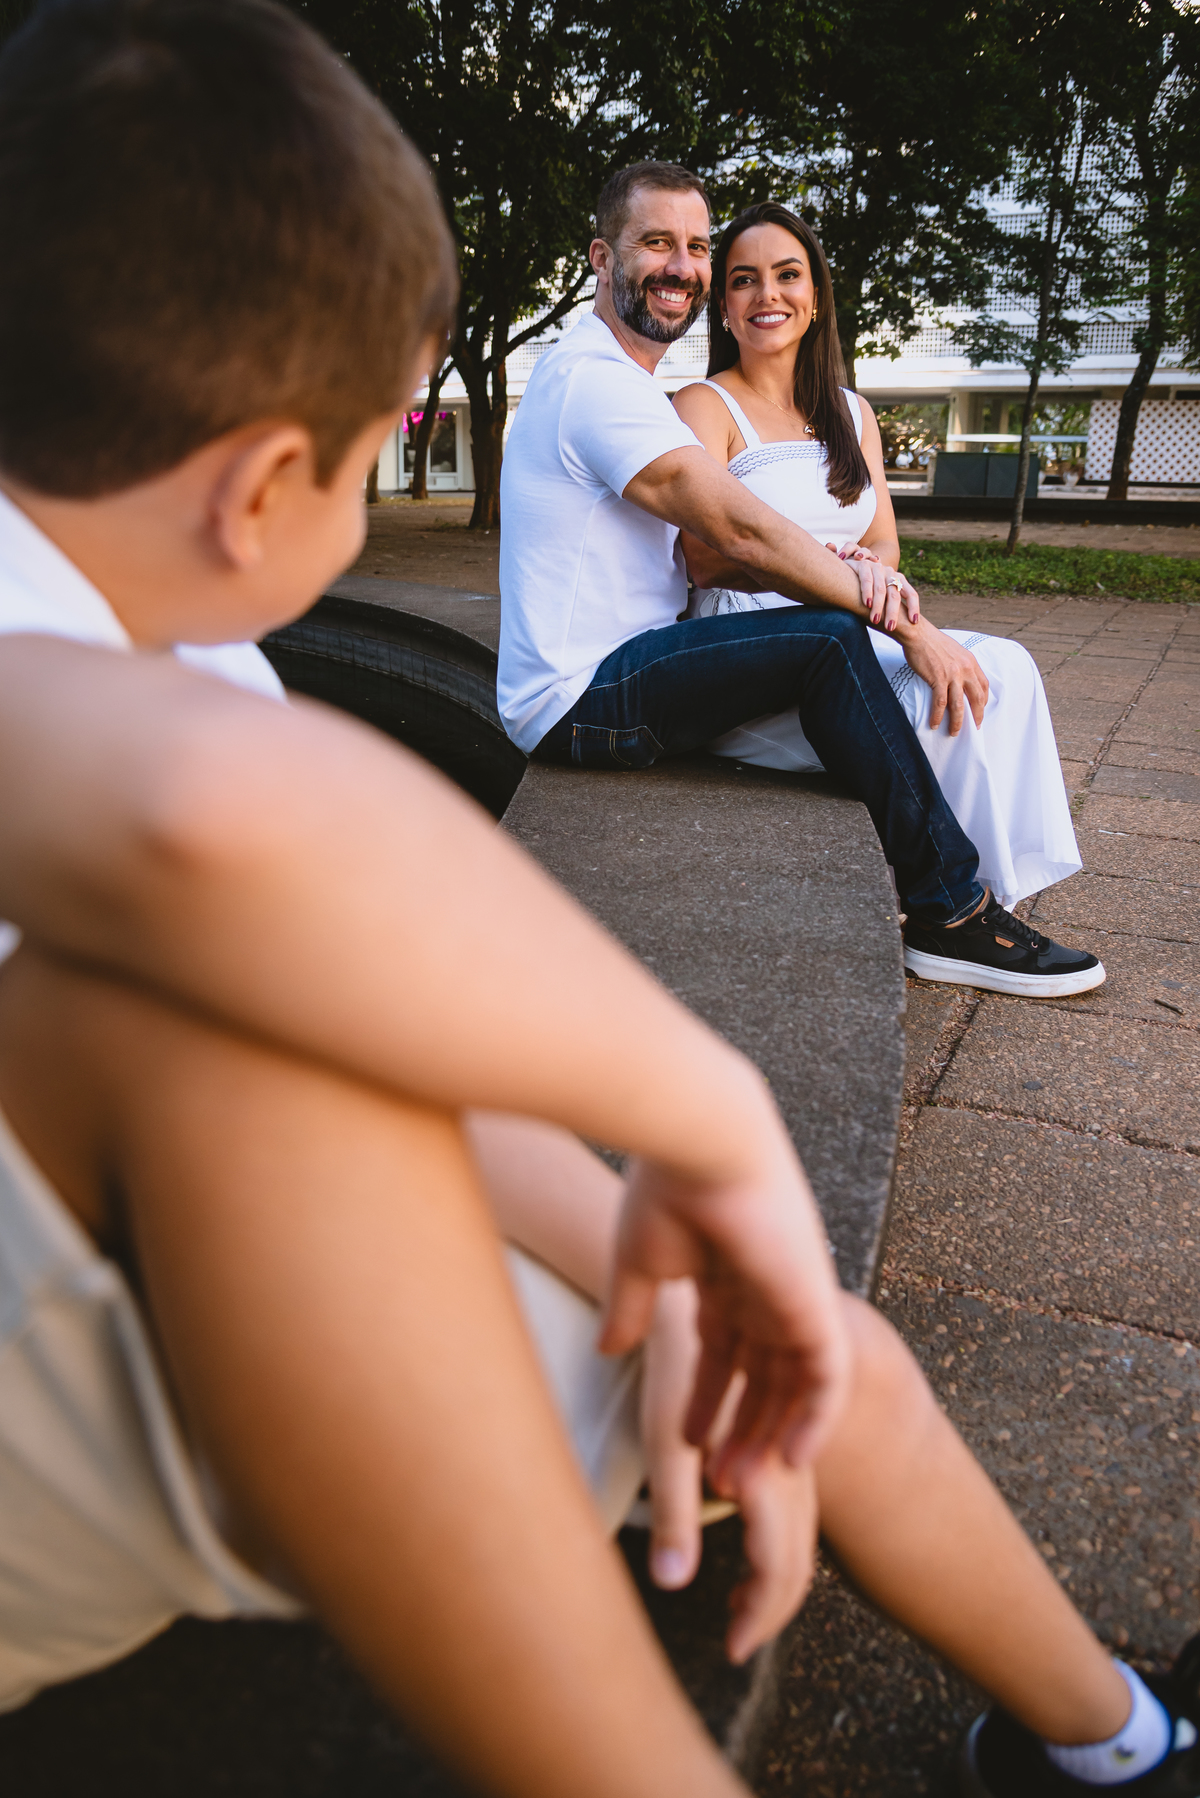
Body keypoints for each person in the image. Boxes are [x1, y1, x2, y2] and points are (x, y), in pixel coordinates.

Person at [0, 8, 1194, 1797]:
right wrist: (704, 1108)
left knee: (794, 1345)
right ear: (263, 486)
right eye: (384, 433)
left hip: (158, 1204)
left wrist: (656, 1200)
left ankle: (1122, 1739)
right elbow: (207, 833)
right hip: (128, 1289)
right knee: (213, 1054)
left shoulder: (159, 621)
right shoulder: (150, 660)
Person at [497, 161, 1104, 1001]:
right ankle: (950, 915)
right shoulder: (593, 382)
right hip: (578, 697)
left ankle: (959, 903)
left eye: (694, 246)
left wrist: (875, 587)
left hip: (633, 664)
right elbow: (734, 529)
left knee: (854, 646)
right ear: (602, 259)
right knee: (828, 639)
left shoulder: (618, 379)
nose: (680, 265)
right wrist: (909, 627)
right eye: (655, 244)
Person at [674, 200, 1082, 917]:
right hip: (757, 647)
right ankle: (951, 910)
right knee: (931, 699)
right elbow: (705, 561)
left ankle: (996, 895)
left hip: (858, 616)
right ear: (724, 307)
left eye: (787, 274)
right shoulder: (702, 407)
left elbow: (886, 539)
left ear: (816, 296)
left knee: (1005, 668)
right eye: (744, 280)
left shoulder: (852, 412)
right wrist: (836, 570)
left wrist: (870, 568)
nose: (768, 294)